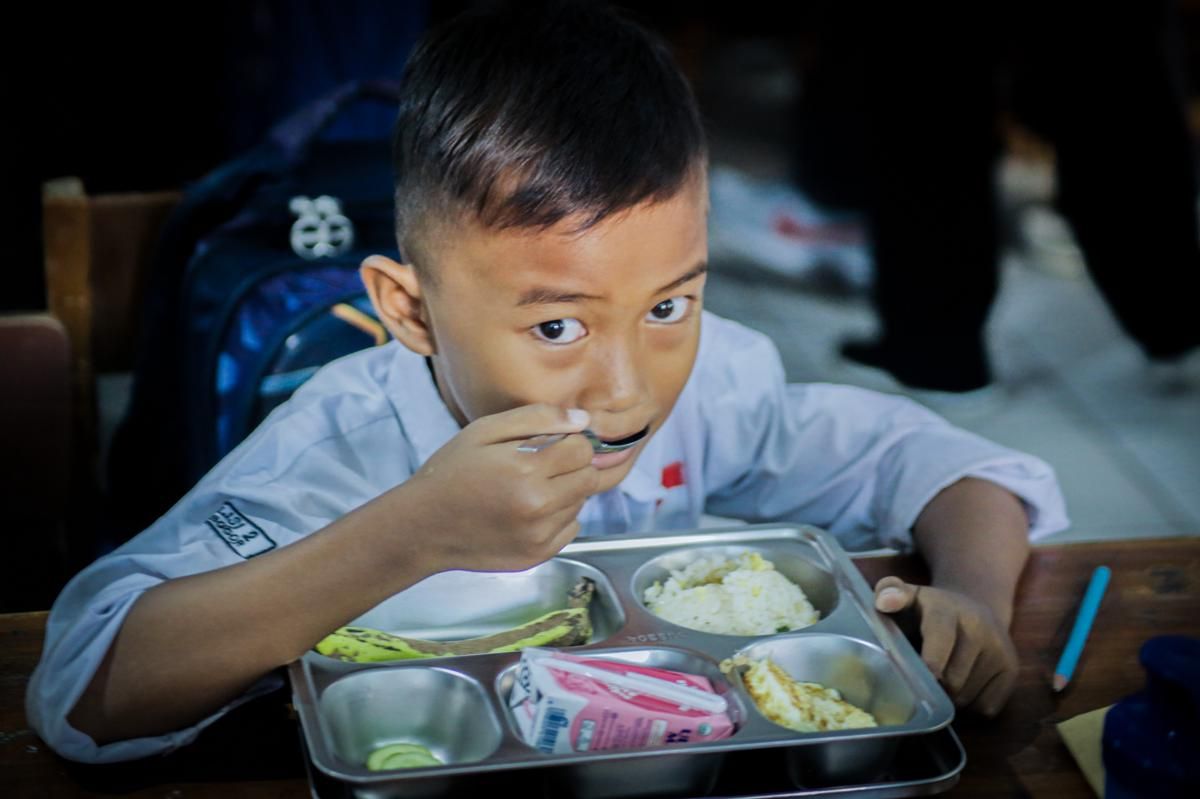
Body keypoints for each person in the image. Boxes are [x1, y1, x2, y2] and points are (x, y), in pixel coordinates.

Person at [27, 0, 1067, 764]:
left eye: (669, 304)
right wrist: (406, 533)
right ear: (411, 311)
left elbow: (949, 465)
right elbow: (81, 689)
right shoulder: (339, 442)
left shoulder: (722, 383)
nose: (626, 387)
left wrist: (973, 598)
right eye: (558, 323)